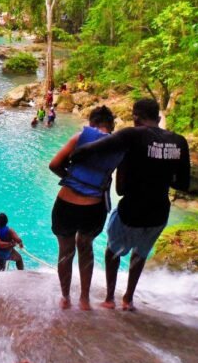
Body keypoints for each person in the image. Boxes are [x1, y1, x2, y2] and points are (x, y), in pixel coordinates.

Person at [71, 99, 190, 311]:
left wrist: (75, 157)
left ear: (135, 117)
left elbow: (95, 154)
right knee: (140, 254)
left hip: (131, 210)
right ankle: (128, 299)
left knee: (113, 252)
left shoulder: (132, 135)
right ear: (159, 117)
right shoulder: (180, 141)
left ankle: (109, 299)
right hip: (159, 213)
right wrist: (160, 176)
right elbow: (183, 184)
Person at [49, 106, 123, 310]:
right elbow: (120, 185)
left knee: (65, 251)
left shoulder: (80, 137)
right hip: (93, 207)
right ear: (111, 125)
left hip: (65, 204)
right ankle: (84, 299)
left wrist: (71, 179)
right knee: (86, 248)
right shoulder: (119, 146)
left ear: (91, 123)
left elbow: (54, 164)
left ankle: (65, 298)